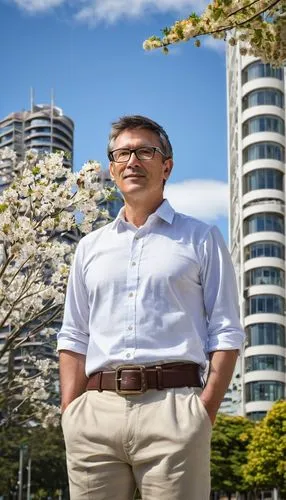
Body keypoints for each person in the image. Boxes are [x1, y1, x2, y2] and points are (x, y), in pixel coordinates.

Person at [57, 115, 245, 500]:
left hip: (175, 410)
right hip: (94, 415)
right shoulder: (89, 248)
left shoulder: (202, 238)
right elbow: (74, 335)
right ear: (111, 168)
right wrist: (69, 413)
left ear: (167, 166)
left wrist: (202, 413)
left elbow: (226, 330)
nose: (132, 161)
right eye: (122, 153)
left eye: (145, 151)